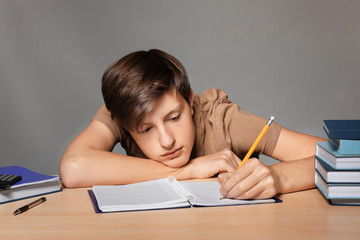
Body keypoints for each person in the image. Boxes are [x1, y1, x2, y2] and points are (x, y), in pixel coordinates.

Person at [59, 49, 326, 200]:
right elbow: (73, 168)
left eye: (174, 118)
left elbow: (345, 157)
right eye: (146, 129)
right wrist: (189, 170)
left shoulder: (222, 120)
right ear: (125, 124)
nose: (167, 140)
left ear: (189, 100)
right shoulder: (125, 108)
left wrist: (278, 177)